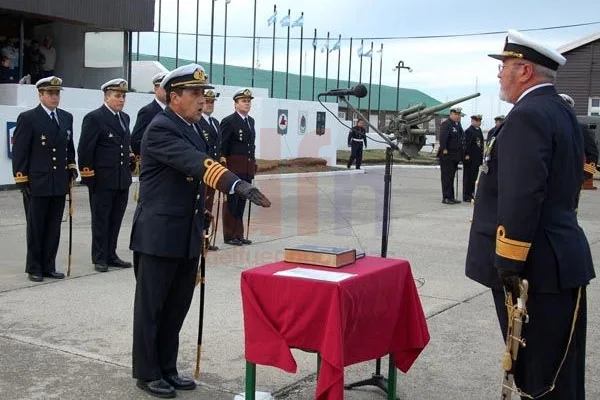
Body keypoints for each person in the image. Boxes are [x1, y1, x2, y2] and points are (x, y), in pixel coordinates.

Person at [466, 29, 595, 399]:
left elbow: (523, 194)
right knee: (559, 372)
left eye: (504, 66)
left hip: (532, 268)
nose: (499, 74)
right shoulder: (559, 111)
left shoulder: (529, 115)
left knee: (537, 376)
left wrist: (508, 263)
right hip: (558, 258)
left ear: (525, 71)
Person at [129, 63, 271, 398]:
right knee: (153, 308)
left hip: (186, 231)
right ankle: (147, 373)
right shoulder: (161, 127)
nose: (201, 99)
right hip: (159, 234)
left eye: (202, 93)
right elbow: (197, 163)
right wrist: (236, 185)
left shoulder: (193, 128)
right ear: (174, 97)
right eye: (194, 94)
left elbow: (196, 174)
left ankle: (167, 367)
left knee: (177, 306)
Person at [11, 76, 77, 282]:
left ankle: (49, 265)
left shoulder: (66, 117)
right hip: (37, 181)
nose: (54, 97)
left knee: (53, 225)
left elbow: (69, 147)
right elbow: (20, 151)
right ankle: (34, 267)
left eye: (57, 93)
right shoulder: (29, 118)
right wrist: (21, 179)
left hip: (58, 181)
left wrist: (72, 166)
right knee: (36, 226)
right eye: (50, 93)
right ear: (40, 95)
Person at [78, 78, 135, 272]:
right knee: (101, 220)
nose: (121, 100)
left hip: (121, 178)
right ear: (106, 97)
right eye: (117, 96)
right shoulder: (95, 118)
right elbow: (85, 150)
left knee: (116, 219)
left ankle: (111, 253)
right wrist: (89, 178)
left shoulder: (125, 118)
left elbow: (123, 146)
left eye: (123, 96)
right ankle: (99, 257)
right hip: (102, 179)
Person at [220, 88, 257, 246]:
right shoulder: (229, 121)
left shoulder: (251, 121)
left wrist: (253, 164)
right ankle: (229, 235)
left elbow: (251, 146)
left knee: (242, 202)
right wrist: (224, 167)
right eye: (243, 101)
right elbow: (223, 146)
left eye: (249, 101)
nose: (247, 103)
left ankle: (239, 234)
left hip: (246, 168)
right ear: (235, 104)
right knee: (232, 203)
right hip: (233, 169)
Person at [196, 89, 222, 251]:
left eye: (212, 102)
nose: (210, 105)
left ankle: (205, 238)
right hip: (203, 170)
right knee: (201, 206)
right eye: (207, 101)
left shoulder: (215, 123)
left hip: (213, 171)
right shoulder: (198, 122)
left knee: (209, 206)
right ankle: (198, 239)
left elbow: (218, 147)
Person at [558, 93, 599, 190]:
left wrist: (583, 177)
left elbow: (593, 156)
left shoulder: (580, 129)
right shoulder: (545, 127)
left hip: (567, 185)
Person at [130, 71, 167, 157]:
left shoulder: (173, 112)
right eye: (164, 88)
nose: (167, 91)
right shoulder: (147, 111)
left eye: (169, 88)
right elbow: (136, 142)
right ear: (155, 89)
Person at [437, 107, 464, 204]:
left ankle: (451, 197)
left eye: (459, 114)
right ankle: (446, 197)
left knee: (451, 177)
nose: (457, 116)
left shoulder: (457, 125)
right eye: (456, 114)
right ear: (451, 114)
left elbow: (460, 139)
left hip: (455, 156)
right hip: (447, 156)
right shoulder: (446, 124)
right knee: (446, 177)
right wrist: (444, 151)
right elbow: (443, 139)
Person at [462, 114, 484, 202]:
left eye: (479, 121)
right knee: (468, 177)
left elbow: (480, 144)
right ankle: (466, 195)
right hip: (470, 159)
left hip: (476, 159)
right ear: (472, 121)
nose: (478, 122)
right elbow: (466, 144)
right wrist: (466, 154)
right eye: (477, 121)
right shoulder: (469, 131)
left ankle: (471, 194)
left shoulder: (479, 131)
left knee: (473, 178)